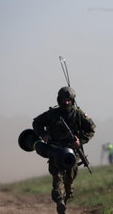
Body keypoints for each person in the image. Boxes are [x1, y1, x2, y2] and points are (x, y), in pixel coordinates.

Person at [32, 86, 96, 214]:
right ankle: (59, 201)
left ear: (72, 100)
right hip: (55, 150)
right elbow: (37, 122)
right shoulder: (52, 114)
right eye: (63, 99)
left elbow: (91, 129)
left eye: (68, 100)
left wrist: (80, 141)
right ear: (59, 99)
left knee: (69, 181)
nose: (66, 102)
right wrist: (44, 135)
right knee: (57, 176)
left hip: (73, 152)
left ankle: (65, 199)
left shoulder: (78, 114)